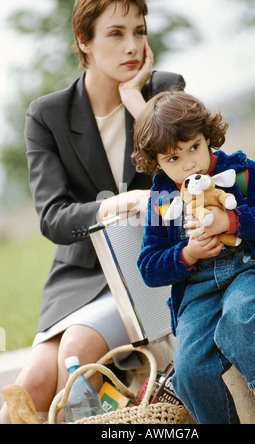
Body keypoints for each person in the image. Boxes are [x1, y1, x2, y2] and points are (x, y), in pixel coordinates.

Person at [0, 0, 185, 423]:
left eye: (139, 31)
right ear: (83, 41)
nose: (132, 46)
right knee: (23, 397)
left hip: (149, 264)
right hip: (79, 277)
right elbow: (53, 217)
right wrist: (120, 203)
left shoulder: (164, 91)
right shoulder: (47, 116)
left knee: (77, 353)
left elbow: (193, 179)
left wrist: (139, 108)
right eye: (116, 34)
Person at [133, 90, 255, 424]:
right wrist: (186, 253)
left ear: (208, 136)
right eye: (172, 159)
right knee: (190, 364)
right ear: (157, 163)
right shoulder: (161, 198)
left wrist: (233, 221)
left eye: (194, 147)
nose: (189, 163)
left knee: (238, 319)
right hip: (198, 289)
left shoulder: (238, 171)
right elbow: (149, 267)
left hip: (251, 269)